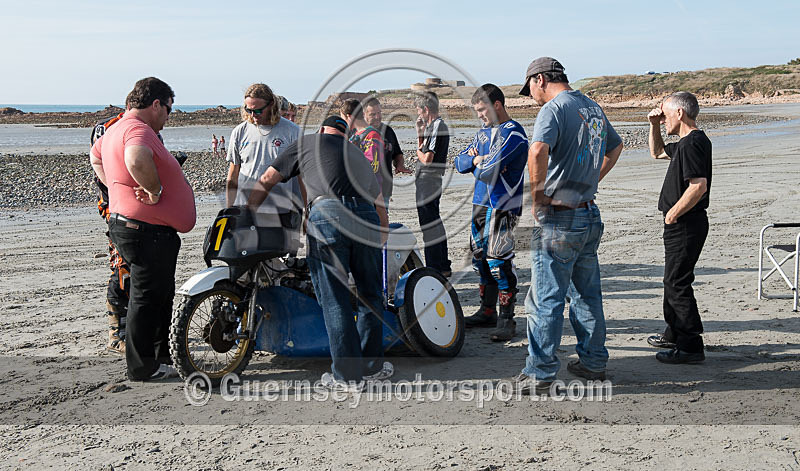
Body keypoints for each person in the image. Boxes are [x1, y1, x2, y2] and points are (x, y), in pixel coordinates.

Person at [247, 116, 392, 390]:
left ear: (322, 129)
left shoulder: (307, 143)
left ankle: (347, 376)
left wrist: (247, 213)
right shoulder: (357, 153)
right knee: (371, 294)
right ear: (345, 134)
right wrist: (381, 236)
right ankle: (372, 369)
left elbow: (268, 178)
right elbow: (380, 204)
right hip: (367, 217)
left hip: (329, 215)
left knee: (335, 297)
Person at [514, 57, 623, 394]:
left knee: (545, 298)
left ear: (541, 79)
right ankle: (593, 361)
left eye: (530, 88)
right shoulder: (591, 106)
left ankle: (540, 372)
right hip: (589, 212)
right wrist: (591, 180)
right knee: (587, 295)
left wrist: (538, 196)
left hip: (560, 216)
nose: (532, 95)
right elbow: (615, 146)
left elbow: (537, 151)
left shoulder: (554, 108)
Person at [90, 77, 196, 381]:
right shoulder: (138, 129)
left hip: (136, 227)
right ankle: (142, 367)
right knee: (147, 297)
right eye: (168, 110)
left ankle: (161, 357)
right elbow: (136, 158)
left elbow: (96, 156)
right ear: (156, 104)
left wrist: (116, 185)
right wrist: (154, 191)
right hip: (145, 230)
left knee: (159, 294)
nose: (167, 118)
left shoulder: (115, 129)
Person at [455, 84, 528, 341]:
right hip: (480, 203)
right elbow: (459, 161)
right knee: (479, 258)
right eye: (476, 111)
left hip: (503, 203)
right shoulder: (483, 133)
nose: (480, 115)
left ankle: (507, 319)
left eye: (482, 109)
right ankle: (487, 311)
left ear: (497, 105)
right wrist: (475, 161)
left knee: (499, 259)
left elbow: (488, 172)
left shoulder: (514, 134)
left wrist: (475, 164)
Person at [646, 91, 711, 364]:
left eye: (665, 114)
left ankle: (691, 345)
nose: (664, 119)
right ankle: (673, 333)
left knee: (678, 282)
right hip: (682, 223)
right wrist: (653, 125)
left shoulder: (694, 142)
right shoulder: (686, 142)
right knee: (671, 280)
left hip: (686, 223)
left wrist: (673, 214)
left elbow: (699, 185)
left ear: (680, 113)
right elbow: (657, 152)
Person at [225, 84, 302, 245]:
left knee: (278, 265)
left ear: (271, 105)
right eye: (248, 110)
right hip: (245, 211)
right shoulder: (239, 132)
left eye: (258, 110)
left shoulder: (292, 132)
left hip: (280, 212)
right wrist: (228, 210)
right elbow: (233, 176)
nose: (253, 115)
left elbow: (302, 177)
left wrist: (307, 211)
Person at [414, 91, 452, 277]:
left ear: (426, 109)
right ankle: (440, 265)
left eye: (419, 111)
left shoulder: (438, 125)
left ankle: (436, 266)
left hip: (429, 181)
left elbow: (427, 158)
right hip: (426, 181)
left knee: (429, 223)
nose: (419, 115)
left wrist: (417, 152)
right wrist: (420, 135)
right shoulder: (431, 127)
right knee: (431, 222)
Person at [363, 97, 411, 210]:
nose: (378, 117)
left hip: (384, 190)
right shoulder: (357, 133)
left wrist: (400, 165)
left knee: (383, 224)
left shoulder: (388, 131)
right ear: (363, 114)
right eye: (373, 114)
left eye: (379, 113)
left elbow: (397, 154)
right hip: (363, 192)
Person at [341, 99, 386, 211]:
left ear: (349, 117)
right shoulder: (355, 135)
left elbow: (373, 166)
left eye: (343, 119)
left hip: (370, 194)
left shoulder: (372, 135)